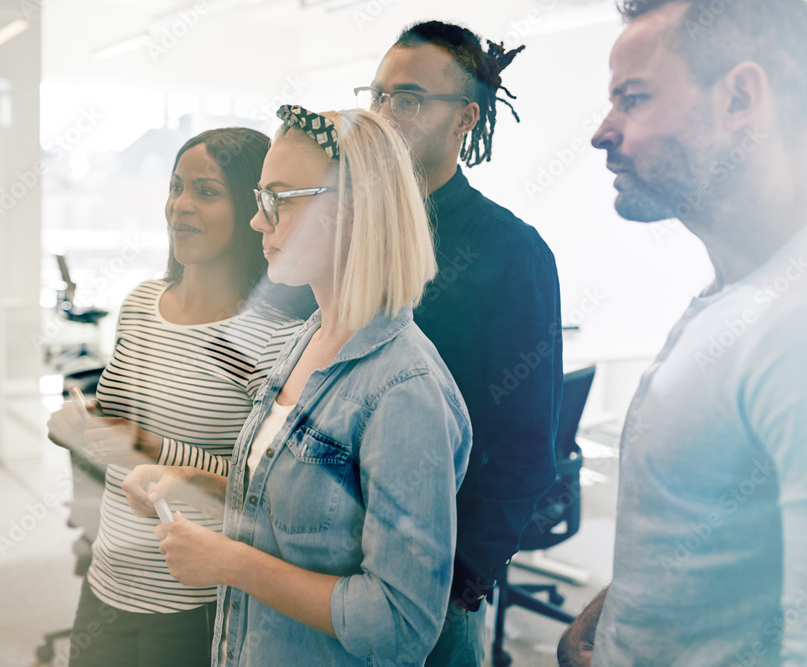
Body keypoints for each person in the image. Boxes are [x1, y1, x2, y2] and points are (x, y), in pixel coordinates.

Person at [120, 105, 472, 665]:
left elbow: (399, 625)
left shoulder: (405, 390)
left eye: (276, 201)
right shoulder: (305, 339)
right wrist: (186, 478)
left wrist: (230, 564)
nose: (258, 222)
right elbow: (284, 513)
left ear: (354, 209)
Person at [558, 1, 807, 664]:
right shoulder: (735, 294)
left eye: (632, 99)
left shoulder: (794, 326)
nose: (602, 132)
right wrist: (622, 607)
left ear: (740, 98)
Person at [46, 127, 304, 667]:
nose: (179, 206)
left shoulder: (274, 339)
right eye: (175, 187)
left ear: (253, 210)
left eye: (206, 192)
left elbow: (266, 490)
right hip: (107, 582)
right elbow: (114, 428)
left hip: (196, 604)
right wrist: (82, 426)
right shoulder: (140, 303)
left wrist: (143, 448)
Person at [357, 20, 563, 665]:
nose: (386, 115)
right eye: (379, 95)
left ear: (465, 117)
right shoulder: (346, 232)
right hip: (324, 556)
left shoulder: (512, 251)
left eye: (410, 99)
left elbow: (528, 440)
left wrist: (464, 579)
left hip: (433, 573)